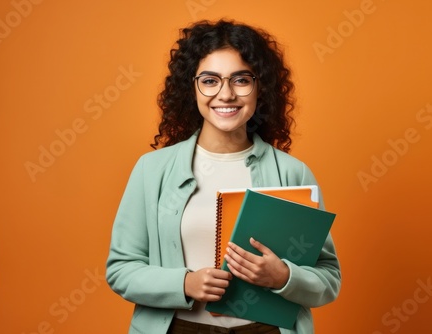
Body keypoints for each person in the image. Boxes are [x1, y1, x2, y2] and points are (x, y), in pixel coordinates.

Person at [106, 19, 341, 334]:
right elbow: (121, 270)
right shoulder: (152, 170)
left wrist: (284, 276)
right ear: (192, 87)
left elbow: (328, 278)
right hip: (180, 328)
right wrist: (185, 283)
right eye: (210, 80)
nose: (226, 94)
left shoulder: (292, 172)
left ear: (261, 87)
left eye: (241, 80)